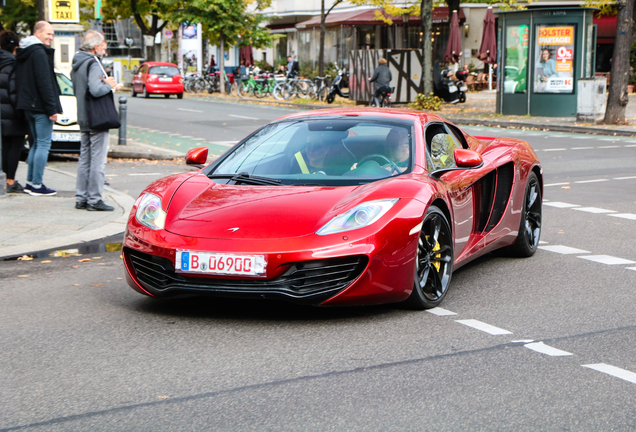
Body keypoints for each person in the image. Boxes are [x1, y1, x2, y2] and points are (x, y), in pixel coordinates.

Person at [71, 32, 120, 211]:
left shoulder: (77, 62)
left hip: (83, 116)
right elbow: (96, 90)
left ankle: (81, 197)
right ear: (95, 47)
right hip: (97, 118)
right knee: (98, 160)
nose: (104, 52)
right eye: (103, 48)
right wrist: (109, 84)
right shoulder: (93, 63)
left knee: (85, 159)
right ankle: (94, 199)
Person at [15, 20, 62, 196]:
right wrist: (52, 109)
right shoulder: (39, 53)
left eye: (52, 34)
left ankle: (30, 182)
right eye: (48, 33)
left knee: (35, 144)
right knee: (43, 144)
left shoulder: (25, 52)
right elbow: (45, 83)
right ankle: (36, 184)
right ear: (37, 33)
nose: (51, 37)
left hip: (29, 105)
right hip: (41, 106)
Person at [1, 31, 28, 193]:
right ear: (16, 47)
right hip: (11, 113)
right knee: (15, 146)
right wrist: (22, 114)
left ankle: (4, 179)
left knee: (4, 146)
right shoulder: (13, 64)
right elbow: (14, 91)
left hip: (1, 112)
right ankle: (10, 181)